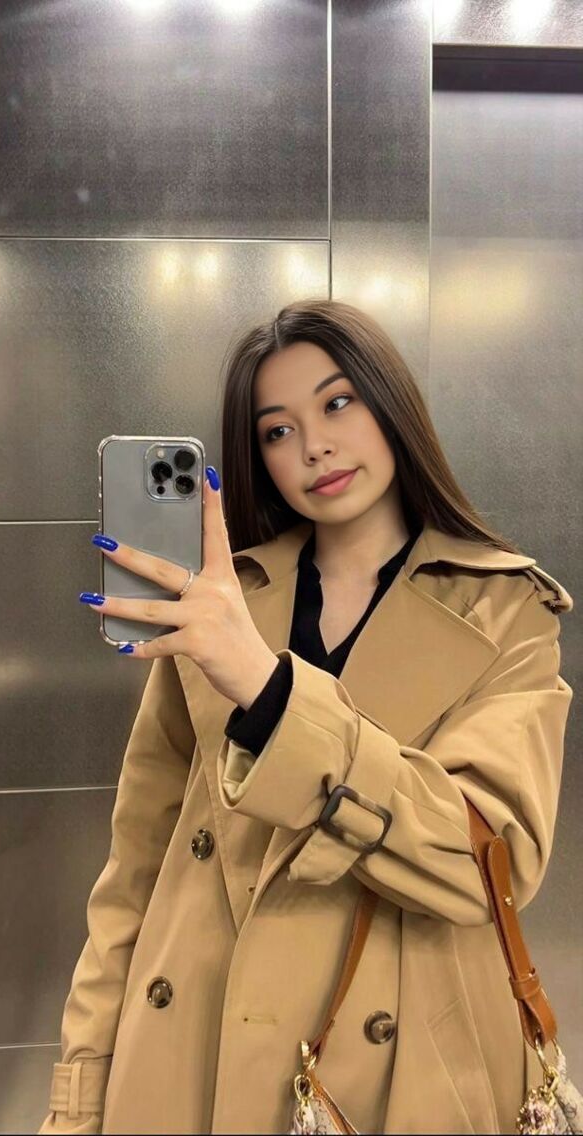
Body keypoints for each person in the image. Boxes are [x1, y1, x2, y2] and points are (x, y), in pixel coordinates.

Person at [38, 299, 574, 1135]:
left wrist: (268, 689)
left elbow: (488, 867)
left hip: (392, 1072)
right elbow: (134, 876)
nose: (314, 445)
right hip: (188, 1062)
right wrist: (78, 1103)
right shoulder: (219, 605)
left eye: (337, 403)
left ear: (390, 404)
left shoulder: (505, 611)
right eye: (277, 431)